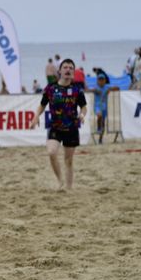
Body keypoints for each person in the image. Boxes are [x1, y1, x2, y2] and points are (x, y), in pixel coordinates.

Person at [29, 58, 87, 191]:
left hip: (72, 127)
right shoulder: (51, 88)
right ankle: (60, 180)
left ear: (73, 72)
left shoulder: (77, 89)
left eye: (71, 68)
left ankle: (69, 188)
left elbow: (84, 107)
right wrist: (36, 116)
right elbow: (42, 105)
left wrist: (82, 115)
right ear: (59, 71)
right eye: (65, 67)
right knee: (51, 151)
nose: (68, 70)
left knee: (69, 160)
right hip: (55, 126)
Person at [88, 69, 111, 144]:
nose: (101, 81)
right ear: (98, 80)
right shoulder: (96, 87)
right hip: (97, 106)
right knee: (99, 116)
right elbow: (90, 90)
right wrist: (94, 91)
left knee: (103, 123)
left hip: (104, 107)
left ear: (104, 80)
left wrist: (110, 89)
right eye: (100, 80)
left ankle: (100, 139)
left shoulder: (107, 87)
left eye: (102, 80)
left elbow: (117, 88)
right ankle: (98, 128)